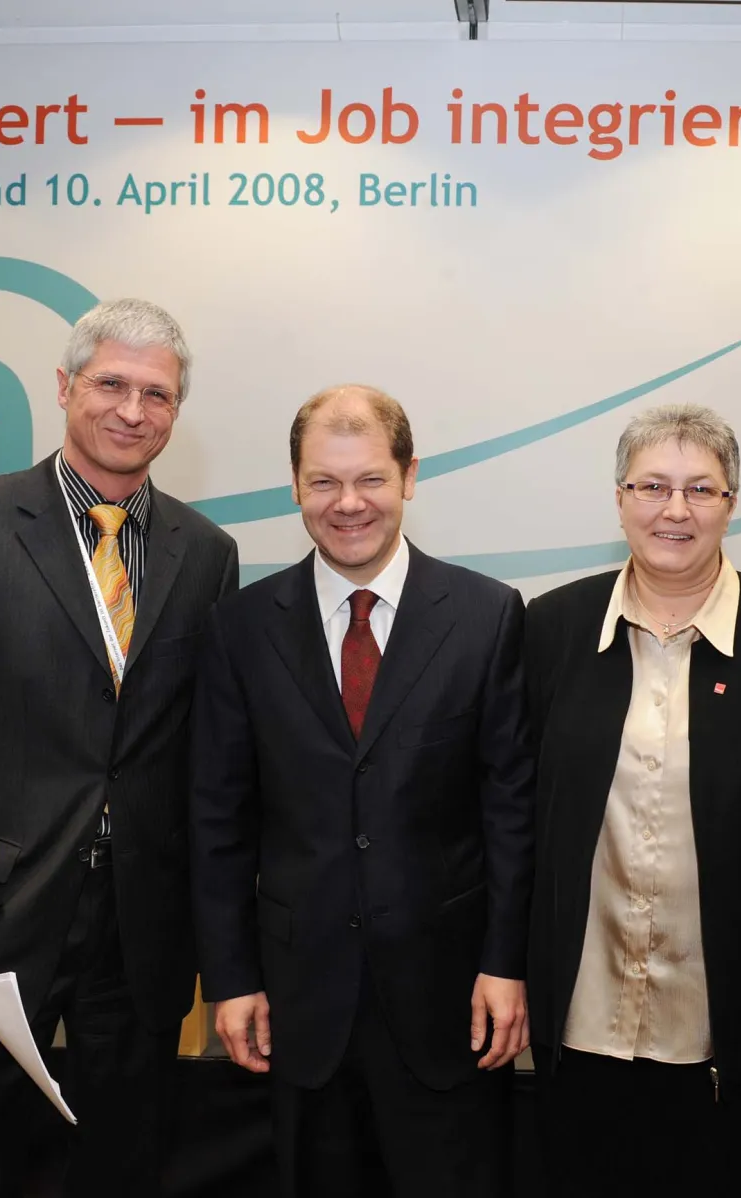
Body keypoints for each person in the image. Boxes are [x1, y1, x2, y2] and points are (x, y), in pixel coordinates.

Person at [0, 298, 239, 1196]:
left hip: (144, 925)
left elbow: (203, 754)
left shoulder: (206, 552)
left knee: (128, 1161)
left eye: (157, 394)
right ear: (65, 387)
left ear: (176, 411)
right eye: (111, 384)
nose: (132, 410)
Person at [190, 384, 533, 1197]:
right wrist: (232, 977)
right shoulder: (239, 628)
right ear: (296, 486)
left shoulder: (487, 617)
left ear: (410, 477)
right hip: (297, 1001)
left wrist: (506, 963)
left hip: (449, 998)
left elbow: (511, 809)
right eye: (323, 482)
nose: (348, 505)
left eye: (371, 479)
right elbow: (217, 820)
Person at [525, 403, 741, 1196]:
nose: (674, 511)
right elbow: (516, 815)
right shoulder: (552, 628)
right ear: (619, 499)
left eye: (700, 490)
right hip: (579, 1016)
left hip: (735, 1024)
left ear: (731, 504)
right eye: (652, 486)